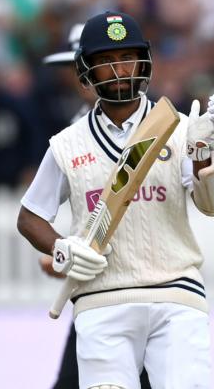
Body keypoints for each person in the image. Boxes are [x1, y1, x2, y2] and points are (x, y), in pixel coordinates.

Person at [17, 11, 214, 389]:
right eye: (105, 61)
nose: (119, 70)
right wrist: (63, 250)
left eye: (125, 58)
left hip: (176, 291)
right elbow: (29, 216)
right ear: (87, 71)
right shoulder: (67, 143)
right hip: (101, 299)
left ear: (143, 61)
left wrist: (201, 152)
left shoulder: (180, 127)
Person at [38, 22, 152, 389]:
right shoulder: (76, 130)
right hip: (99, 287)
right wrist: (67, 249)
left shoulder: (151, 123)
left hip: (149, 283)